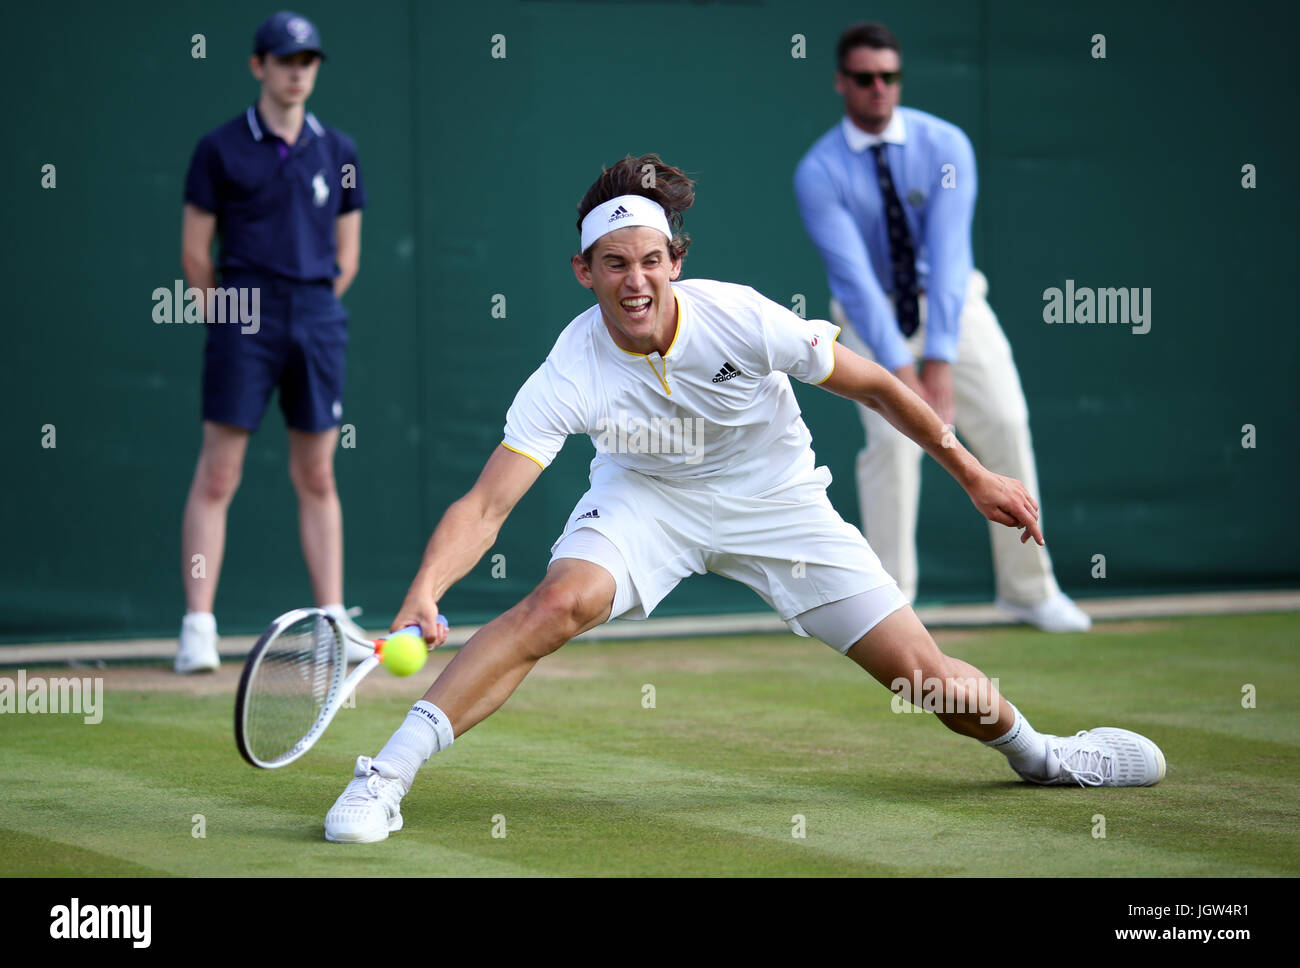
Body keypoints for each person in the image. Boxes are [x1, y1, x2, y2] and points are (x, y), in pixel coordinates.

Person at [321, 154, 1164, 844]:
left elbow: (873, 383)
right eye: (615, 264)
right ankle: (385, 774)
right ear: (585, 273)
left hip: (779, 505)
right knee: (558, 603)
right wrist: (426, 591)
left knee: (929, 681)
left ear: (675, 263)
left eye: (652, 260)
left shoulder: (741, 317)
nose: (636, 280)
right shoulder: (568, 371)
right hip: (648, 501)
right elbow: (485, 506)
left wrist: (973, 470)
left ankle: (1043, 753)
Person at [793, 22, 1091, 632]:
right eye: (864, 78)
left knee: (1006, 423)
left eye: (889, 77)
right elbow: (854, 280)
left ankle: (1030, 589)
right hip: (870, 318)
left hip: (956, 308)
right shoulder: (818, 171)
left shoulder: (946, 144)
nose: (879, 88)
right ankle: (889, 603)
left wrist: (941, 357)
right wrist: (900, 374)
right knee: (893, 447)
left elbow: (952, 255)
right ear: (840, 83)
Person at [175, 11, 369, 673]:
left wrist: (309, 309)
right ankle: (198, 628)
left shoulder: (339, 152)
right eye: (285, 60)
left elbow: (348, 255)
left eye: (307, 61)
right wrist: (233, 318)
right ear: (259, 66)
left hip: (316, 317)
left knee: (318, 474)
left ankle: (332, 624)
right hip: (244, 317)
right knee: (219, 474)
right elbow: (196, 254)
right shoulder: (218, 148)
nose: (296, 72)